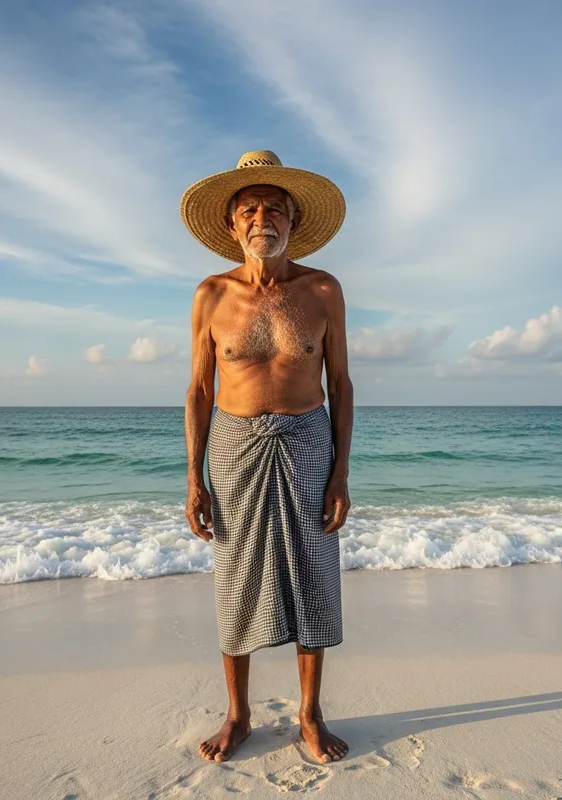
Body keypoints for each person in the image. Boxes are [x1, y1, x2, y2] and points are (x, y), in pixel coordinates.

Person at [181, 150, 354, 765]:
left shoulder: (323, 289)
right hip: (233, 446)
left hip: (308, 439)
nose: (262, 218)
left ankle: (309, 714)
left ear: (292, 221)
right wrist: (193, 479)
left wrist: (341, 471)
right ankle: (239, 713)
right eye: (249, 209)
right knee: (235, 581)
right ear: (232, 226)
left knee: (315, 578)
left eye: (274, 209)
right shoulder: (211, 295)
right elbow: (200, 390)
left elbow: (340, 383)